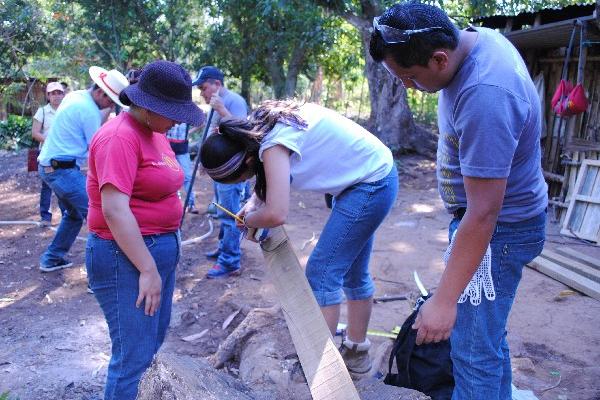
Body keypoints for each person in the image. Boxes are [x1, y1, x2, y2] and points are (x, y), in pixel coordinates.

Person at [369, 2, 547, 398]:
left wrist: (444, 301)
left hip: (497, 234)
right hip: (488, 227)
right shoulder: (478, 42)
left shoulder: (486, 94)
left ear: (439, 58)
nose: (407, 87)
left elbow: (484, 213)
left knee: (471, 353)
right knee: (486, 338)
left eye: (410, 77)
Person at [200, 100, 398, 374]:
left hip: (371, 183)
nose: (244, 183)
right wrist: (252, 207)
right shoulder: (258, 128)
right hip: (366, 176)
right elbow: (267, 189)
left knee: (322, 273)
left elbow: (277, 213)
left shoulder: (271, 146)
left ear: (247, 161)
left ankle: (322, 372)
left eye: (240, 179)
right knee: (353, 273)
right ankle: (356, 353)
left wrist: (248, 220)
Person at [86, 60, 204, 400]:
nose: (179, 120)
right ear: (150, 107)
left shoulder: (154, 133)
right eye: (173, 112)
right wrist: (148, 268)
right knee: (133, 358)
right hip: (126, 258)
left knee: (149, 344)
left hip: (155, 252)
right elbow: (114, 209)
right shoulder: (119, 137)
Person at [37, 67, 128, 272]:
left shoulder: (77, 96)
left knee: (73, 215)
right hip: (62, 170)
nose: (111, 106)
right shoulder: (87, 111)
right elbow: (97, 148)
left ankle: (51, 259)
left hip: (51, 166)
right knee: (101, 217)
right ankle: (100, 272)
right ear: (100, 93)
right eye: (110, 101)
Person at [192, 66, 249, 278]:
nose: (202, 93)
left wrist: (223, 110)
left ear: (217, 84)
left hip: (232, 170)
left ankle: (230, 261)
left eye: (203, 87)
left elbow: (245, 132)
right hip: (221, 170)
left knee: (229, 215)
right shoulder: (215, 104)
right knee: (222, 212)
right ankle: (225, 249)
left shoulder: (233, 101)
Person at [31, 81, 66, 226]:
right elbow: (35, 133)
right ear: (48, 96)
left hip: (64, 154)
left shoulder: (67, 110)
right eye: (53, 93)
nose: (56, 96)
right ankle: (45, 217)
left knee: (64, 184)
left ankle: (66, 216)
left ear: (63, 95)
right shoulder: (43, 112)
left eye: (59, 93)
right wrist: (51, 141)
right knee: (47, 186)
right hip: (47, 154)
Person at [166, 123, 201, 213]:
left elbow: (202, 123)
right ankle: (172, 205)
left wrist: (188, 132)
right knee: (169, 177)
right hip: (167, 148)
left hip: (182, 150)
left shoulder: (185, 114)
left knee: (187, 177)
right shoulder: (168, 113)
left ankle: (191, 204)